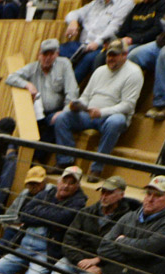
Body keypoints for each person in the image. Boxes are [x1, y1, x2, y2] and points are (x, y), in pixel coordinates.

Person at [37, 174, 138, 274]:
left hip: (99, 265)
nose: (104, 196)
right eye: (102, 192)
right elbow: (69, 239)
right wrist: (80, 260)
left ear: (121, 195)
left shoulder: (127, 220)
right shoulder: (87, 211)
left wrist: (97, 261)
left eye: (109, 193)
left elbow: (119, 248)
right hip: (74, 259)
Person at [0, 165, 86, 274]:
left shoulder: (79, 202)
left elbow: (61, 218)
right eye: (64, 181)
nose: (66, 186)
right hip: (24, 246)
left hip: (45, 252)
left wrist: (40, 215)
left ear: (77, 186)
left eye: (71, 183)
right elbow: (25, 213)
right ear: (59, 181)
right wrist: (49, 216)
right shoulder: (48, 193)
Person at [52, 40, 142, 183]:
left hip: (110, 117)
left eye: (115, 55)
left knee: (116, 121)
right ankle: (65, 161)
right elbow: (86, 96)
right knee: (63, 117)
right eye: (109, 55)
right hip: (89, 114)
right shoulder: (100, 71)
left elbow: (128, 105)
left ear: (125, 55)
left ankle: (97, 168)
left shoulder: (134, 73)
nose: (110, 59)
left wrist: (102, 112)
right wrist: (78, 105)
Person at [4, 39, 79, 149]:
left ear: (57, 54)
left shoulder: (64, 64)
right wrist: (27, 85)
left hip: (56, 110)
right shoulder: (32, 68)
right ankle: (15, 151)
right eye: (45, 54)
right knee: (25, 127)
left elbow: (72, 91)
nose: (47, 58)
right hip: (37, 111)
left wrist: (64, 111)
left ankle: (52, 158)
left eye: (51, 54)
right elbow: (10, 78)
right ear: (39, 55)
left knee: (60, 121)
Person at [59, 0, 133, 80]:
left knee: (89, 59)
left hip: (102, 46)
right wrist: (73, 22)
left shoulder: (125, 3)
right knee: (54, 51)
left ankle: (69, 89)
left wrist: (97, 43)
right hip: (82, 44)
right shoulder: (95, 3)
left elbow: (114, 28)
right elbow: (74, 13)